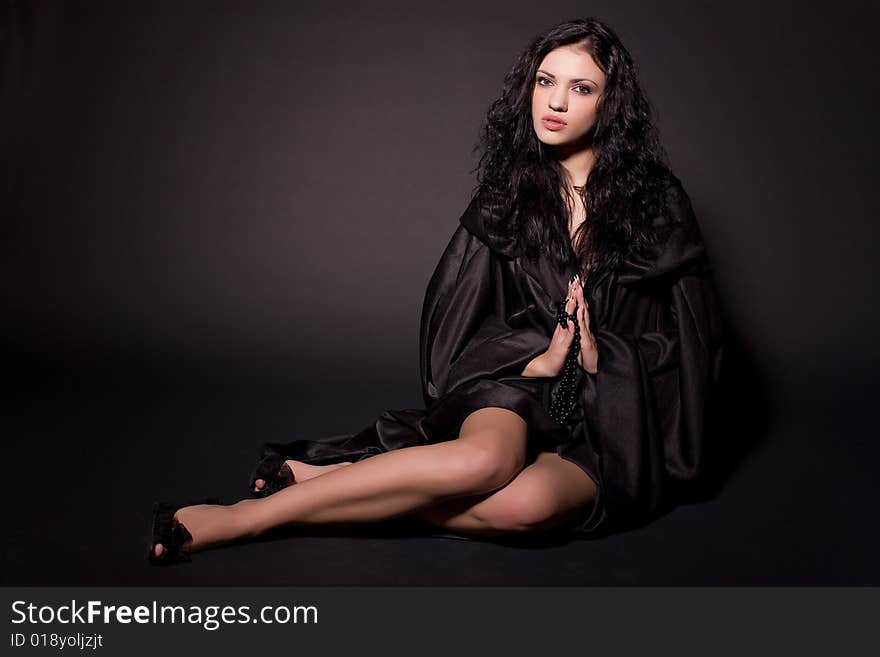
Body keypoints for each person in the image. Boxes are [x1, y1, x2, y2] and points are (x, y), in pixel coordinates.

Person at [149, 16, 724, 565]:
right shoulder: (510, 195)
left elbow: (695, 347)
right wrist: (536, 360)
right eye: (546, 81)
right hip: (520, 386)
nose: (555, 102)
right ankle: (249, 518)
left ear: (610, 104)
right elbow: (455, 322)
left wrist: (606, 356)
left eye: (581, 88)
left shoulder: (658, 204)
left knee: (529, 508)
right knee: (481, 463)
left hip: (612, 413)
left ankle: (338, 487)